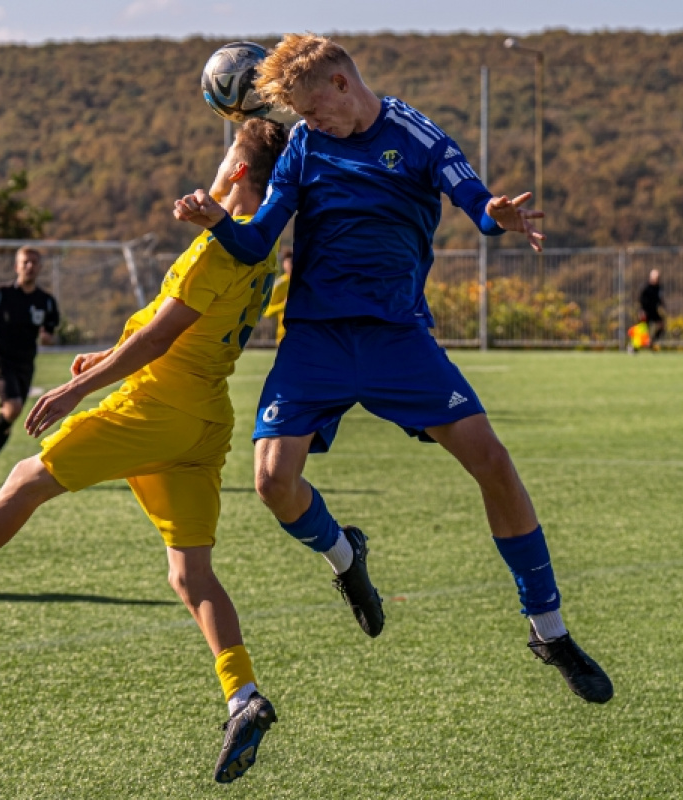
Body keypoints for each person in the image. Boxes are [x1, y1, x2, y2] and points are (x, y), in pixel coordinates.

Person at [174, 33, 613, 705]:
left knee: (492, 461)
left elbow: (472, 197)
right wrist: (215, 222)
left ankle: (548, 630)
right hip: (316, 338)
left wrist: (496, 215)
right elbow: (258, 237)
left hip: (396, 337)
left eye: (311, 111)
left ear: (343, 85)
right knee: (270, 482)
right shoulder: (304, 146)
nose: (306, 125)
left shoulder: (413, 134)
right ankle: (345, 557)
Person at [0, 117, 287, 784]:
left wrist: (82, 388)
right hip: (206, 417)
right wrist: (105, 354)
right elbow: (184, 329)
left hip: (155, 408)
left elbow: (159, 341)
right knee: (190, 575)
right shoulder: (258, 247)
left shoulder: (215, 252)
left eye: (223, 160)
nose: (214, 171)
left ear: (237, 174)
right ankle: (243, 693)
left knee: (24, 478)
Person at [0, 247, 60, 487]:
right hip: (0, 359)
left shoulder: (46, 301)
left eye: (34, 262)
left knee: (10, 414)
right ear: (16, 266)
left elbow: (50, 332)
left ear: (40, 267)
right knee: (13, 407)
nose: (29, 266)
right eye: (25, 262)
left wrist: (48, 337)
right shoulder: (2, 293)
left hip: (26, 364)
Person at [263, 247, 293, 345]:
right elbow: (267, 312)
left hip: (306, 337)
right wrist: (283, 306)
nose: (291, 266)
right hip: (284, 338)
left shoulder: (307, 284)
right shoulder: (280, 285)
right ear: (284, 264)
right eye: (289, 263)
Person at [639, 268, 665, 350]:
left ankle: (652, 341)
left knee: (661, 325)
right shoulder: (646, 287)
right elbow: (641, 300)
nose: (657, 279)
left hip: (654, 311)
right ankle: (634, 346)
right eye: (655, 277)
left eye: (658, 277)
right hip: (645, 311)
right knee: (643, 331)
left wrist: (663, 305)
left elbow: (659, 298)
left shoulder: (659, 287)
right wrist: (642, 311)